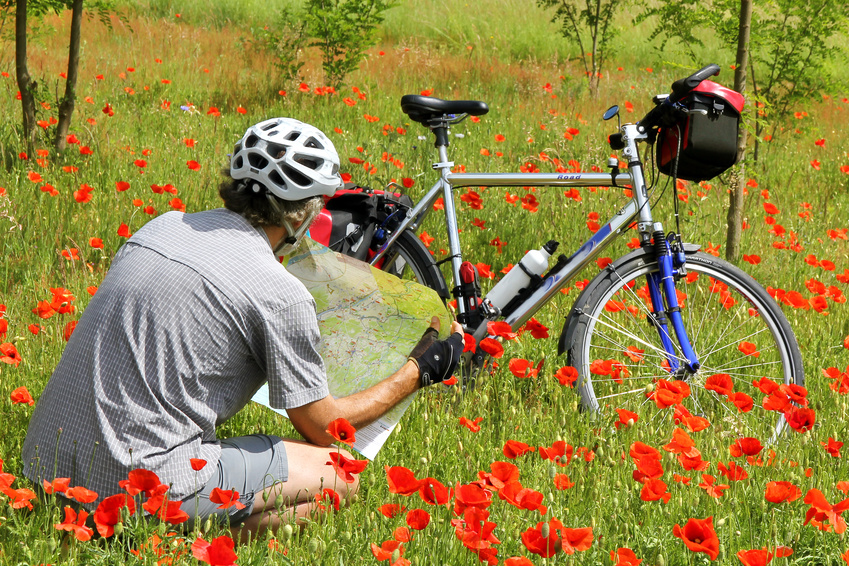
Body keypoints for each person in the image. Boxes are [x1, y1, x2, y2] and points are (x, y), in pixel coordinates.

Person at [21, 117, 463, 540]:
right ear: (301, 214)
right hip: (134, 491)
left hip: (45, 468)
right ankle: (175, 542)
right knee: (338, 475)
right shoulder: (279, 293)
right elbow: (329, 428)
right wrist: (420, 370)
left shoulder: (160, 227)